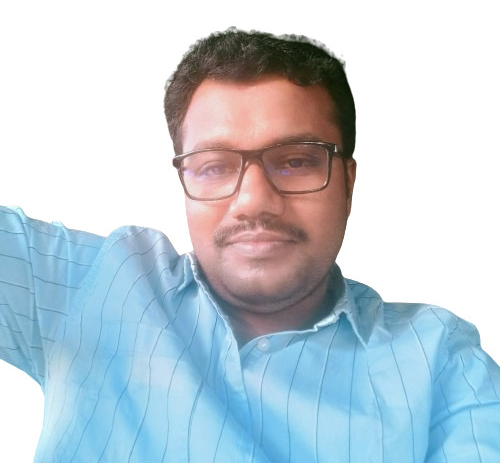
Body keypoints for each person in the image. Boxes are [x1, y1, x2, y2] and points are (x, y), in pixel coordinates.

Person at [0, 28, 499, 462]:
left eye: (297, 161)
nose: (254, 201)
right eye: (214, 166)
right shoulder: (87, 286)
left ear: (347, 183)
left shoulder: (438, 360)